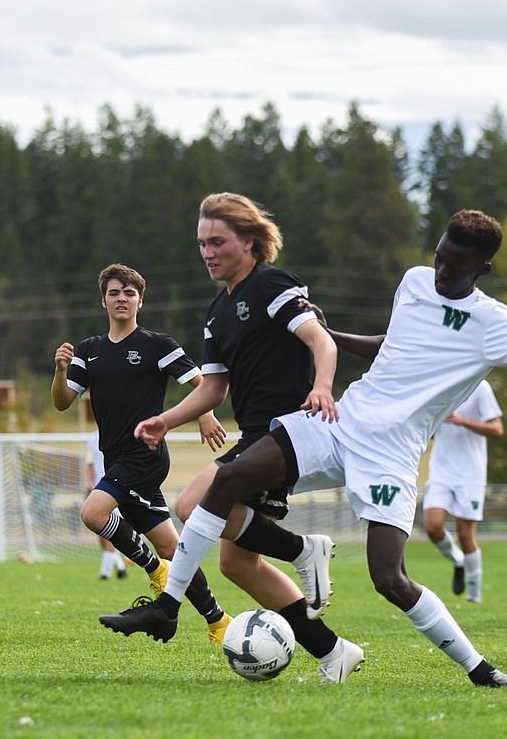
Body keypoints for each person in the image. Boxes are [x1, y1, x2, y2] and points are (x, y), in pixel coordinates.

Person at [101, 209, 507, 688]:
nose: (440, 270)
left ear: (481, 268)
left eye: (454, 265)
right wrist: (332, 334)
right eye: (439, 256)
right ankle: (170, 607)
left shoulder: (492, 322)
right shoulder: (414, 280)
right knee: (224, 483)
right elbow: (389, 346)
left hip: (393, 454)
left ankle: (480, 670)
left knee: (389, 579)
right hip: (344, 420)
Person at [144, 192, 364, 683]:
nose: (207, 252)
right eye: (201, 243)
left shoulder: (272, 284)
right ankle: (334, 652)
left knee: (190, 507)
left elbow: (320, 340)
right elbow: (214, 387)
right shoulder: (217, 311)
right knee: (239, 564)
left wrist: (323, 386)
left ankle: (305, 550)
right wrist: (167, 419)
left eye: (217, 241)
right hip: (255, 435)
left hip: (286, 432)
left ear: (248, 242)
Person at [52, 263, 233, 643]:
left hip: (145, 455)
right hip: (116, 459)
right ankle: (219, 622)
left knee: (93, 512)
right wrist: (60, 370)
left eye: (129, 293)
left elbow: (202, 382)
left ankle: (154, 572)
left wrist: (206, 417)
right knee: (170, 545)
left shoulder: (157, 344)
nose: (122, 298)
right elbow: (63, 401)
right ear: (103, 300)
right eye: (115, 292)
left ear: (140, 301)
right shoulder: (89, 350)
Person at [423, 379, 503, 604]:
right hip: (441, 471)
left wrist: (461, 420)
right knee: (432, 526)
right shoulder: (438, 385)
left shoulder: (481, 387)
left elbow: (497, 429)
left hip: (471, 474)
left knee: (465, 534)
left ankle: (474, 596)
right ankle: (458, 561)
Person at [85, 427, 127, 580]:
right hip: (98, 490)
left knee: (108, 533)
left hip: (116, 489)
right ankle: (121, 568)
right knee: (101, 536)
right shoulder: (92, 439)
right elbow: (89, 463)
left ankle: (105, 573)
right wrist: (88, 482)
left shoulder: (119, 434)